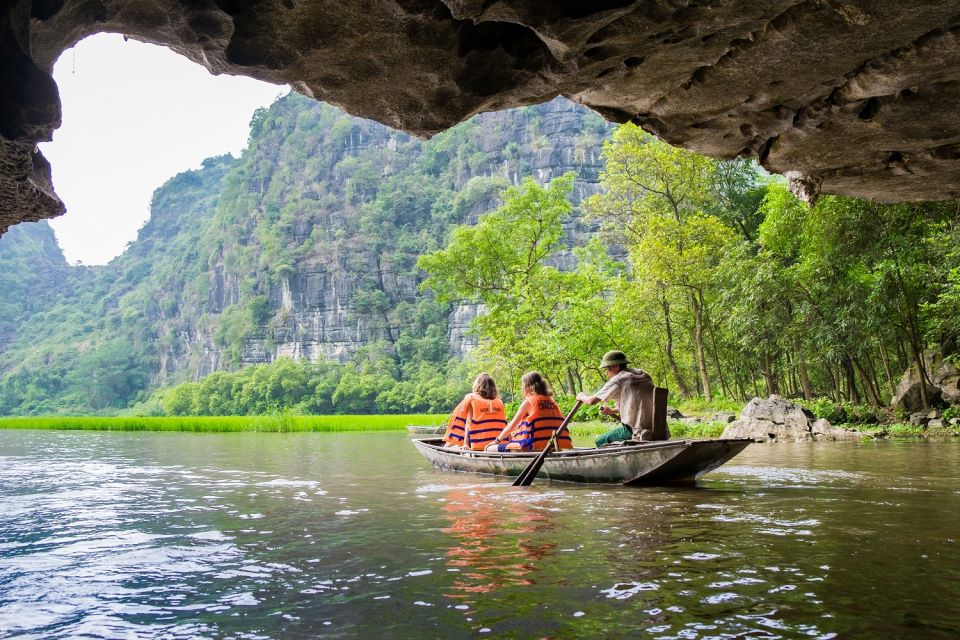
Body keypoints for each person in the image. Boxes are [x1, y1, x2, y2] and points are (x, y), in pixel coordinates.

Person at [576, 350, 665, 446]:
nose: (606, 373)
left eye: (606, 369)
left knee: (600, 441)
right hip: (658, 429)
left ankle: (614, 461)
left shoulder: (618, 379)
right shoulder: (643, 375)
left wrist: (581, 396)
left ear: (616, 366)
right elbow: (638, 403)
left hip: (637, 430)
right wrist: (612, 411)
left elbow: (591, 401)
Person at [486, 371, 573, 452]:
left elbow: (512, 426)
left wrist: (496, 441)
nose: (522, 388)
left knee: (489, 448)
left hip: (530, 448)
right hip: (553, 447)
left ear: (528, 387)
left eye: (523, 386)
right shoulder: (552, 401)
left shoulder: (529, 402)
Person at [442, 373, 507, 450]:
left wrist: (465, 444)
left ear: (478, 385)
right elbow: (504, 423)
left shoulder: (472, 398)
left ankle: (443, 449)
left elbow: (468, 423)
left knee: (451, 442)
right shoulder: (499, 401)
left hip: (478, 443)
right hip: (497, 442)